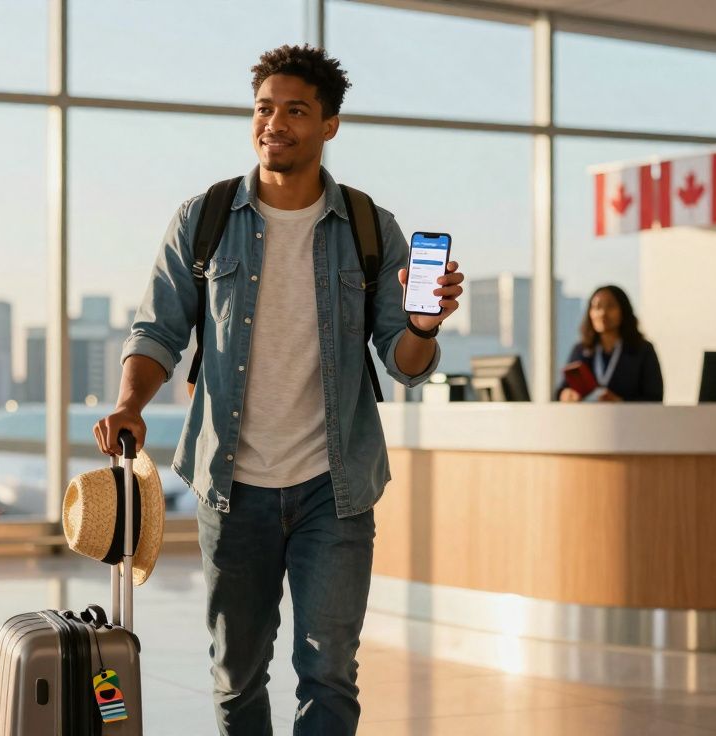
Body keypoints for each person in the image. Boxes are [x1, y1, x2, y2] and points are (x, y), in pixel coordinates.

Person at [92, 45, 463, 736]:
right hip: (232, 487)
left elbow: (408, 364)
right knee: (237, 676)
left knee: (329, 674)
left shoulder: (366, 227)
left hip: (336, 486)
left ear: (330, 125)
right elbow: (157, 330)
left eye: (296, 110)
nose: (276, 124)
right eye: (265, 108)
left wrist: (422, 322)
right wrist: (129, 404)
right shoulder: (203, 219)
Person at [556, 284, 663, 403]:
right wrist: (566, 395)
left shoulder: (642, 349)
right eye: (596, 307)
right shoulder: (581, 350)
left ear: (623, 311)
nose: (602, 313)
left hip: (630, 419)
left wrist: (621, 402)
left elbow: (655, 398)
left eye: (610, 306)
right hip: (588, 419)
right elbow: (561, 390)